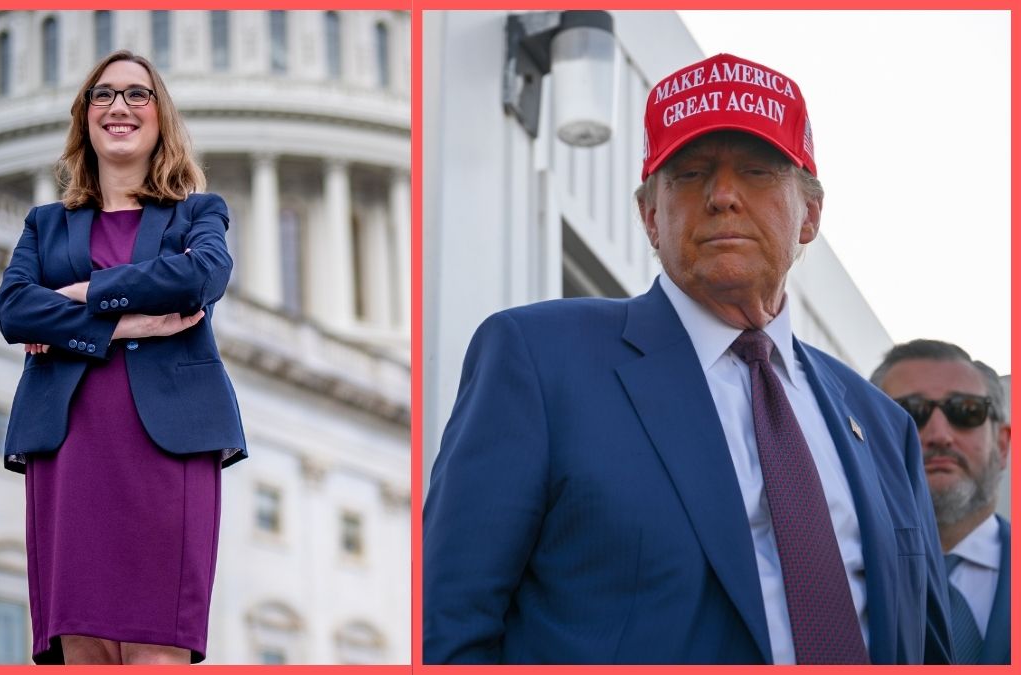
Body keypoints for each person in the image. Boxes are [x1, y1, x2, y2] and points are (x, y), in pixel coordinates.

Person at [423, 53, 952, 664]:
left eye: (756, 170)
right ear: (650, 215)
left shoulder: (884, 427)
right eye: (691, 173)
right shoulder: (540, 362)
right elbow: (447, 624)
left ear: (810, 214)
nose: (723, 195)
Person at [0, 50, 246, 665]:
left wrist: (84, 294)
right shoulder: (45, 225)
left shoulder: (197, 214)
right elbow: (14, 310)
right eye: (103, 95)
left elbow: (201, 278)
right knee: (82, 649)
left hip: (168, 450)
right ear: (85, 119)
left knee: (159, 652)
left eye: (138, 94)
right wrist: (121, 326)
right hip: (70, 448)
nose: (119, 107)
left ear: (162, 118)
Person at [871, 340, 1011, 664]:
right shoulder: (826, 575)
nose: (939, 434)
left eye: (966, 410)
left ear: (1002, 445)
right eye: (909, 413)